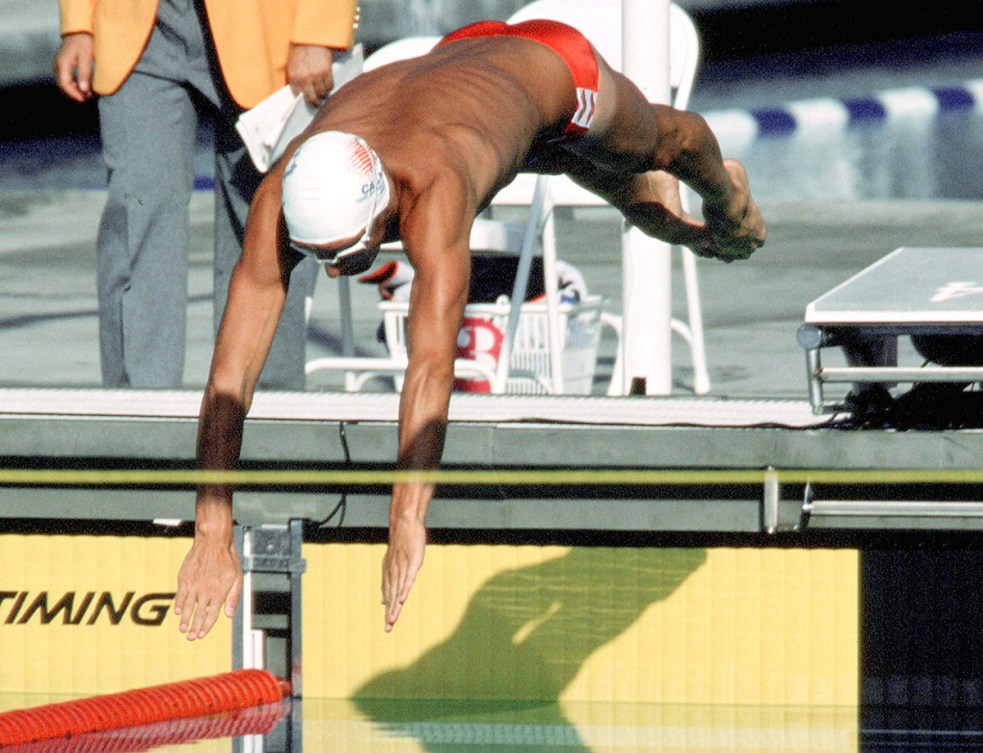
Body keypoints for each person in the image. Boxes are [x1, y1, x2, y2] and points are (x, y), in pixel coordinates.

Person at [173, 18, 767, 639]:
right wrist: (212, 531)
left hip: (547, 67)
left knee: (663, 147)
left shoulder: (435, 188)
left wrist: (406, 517)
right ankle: (679, 211)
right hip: (459, 64)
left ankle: (728, 198)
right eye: (323, 257)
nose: (340, 271)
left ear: (383, 205)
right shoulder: (281, 194)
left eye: (352, 253)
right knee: (653, 218)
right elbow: (228, 379)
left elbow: (430, 366)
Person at [53, 0, 357, 388]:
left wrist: (320, 29)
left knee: (265, 231)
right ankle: (137, 420)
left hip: (269, 30)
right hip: (136, 29)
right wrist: (78, 24)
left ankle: (261, 416)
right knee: (136, 222)